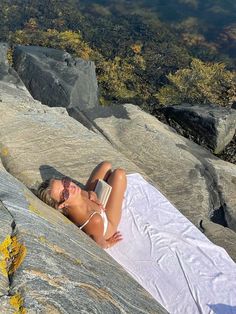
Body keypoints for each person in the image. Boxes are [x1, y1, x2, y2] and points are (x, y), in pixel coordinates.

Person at [37, 161, 127, 249]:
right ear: (62, 205)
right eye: (64, 193)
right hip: (106, 224)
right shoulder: (94, 220)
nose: (70, 187)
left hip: (92, 204)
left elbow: (88, 193)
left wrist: (93, 195)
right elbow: (100, 243)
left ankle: (116, 191)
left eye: (65, 183)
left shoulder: (75, 194)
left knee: (105, 165)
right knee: (119, 174)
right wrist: (109, 244)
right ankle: (118, 193)